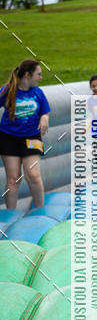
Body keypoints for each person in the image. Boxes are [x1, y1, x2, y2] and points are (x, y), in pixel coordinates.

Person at [0, 59, 50, 209]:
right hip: (9, 137)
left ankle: (40, 211)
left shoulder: (38, 92)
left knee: (33, 175)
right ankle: (11, 214)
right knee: (13, 178)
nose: (41, 77)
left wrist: (44, 118)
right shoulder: (8, 90)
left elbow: (45, 111)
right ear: (28, 75)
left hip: (31, 137)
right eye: (38, 74)